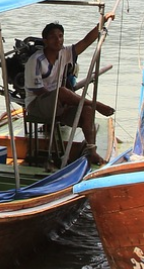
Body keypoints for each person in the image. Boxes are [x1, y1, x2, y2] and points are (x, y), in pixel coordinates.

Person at [24, 21, 115, 165]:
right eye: (53, 37)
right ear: (45, 41)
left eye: (60, 36)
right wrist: (63, 100)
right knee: (61, 92)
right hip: (37, 105)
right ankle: (97, 105)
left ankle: (92, 151)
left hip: (59, 104)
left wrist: (102, 22)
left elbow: (85, 41)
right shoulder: (36, 61)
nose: (58, 40)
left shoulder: (64, 53)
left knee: (87, 111)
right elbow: (38, 91)